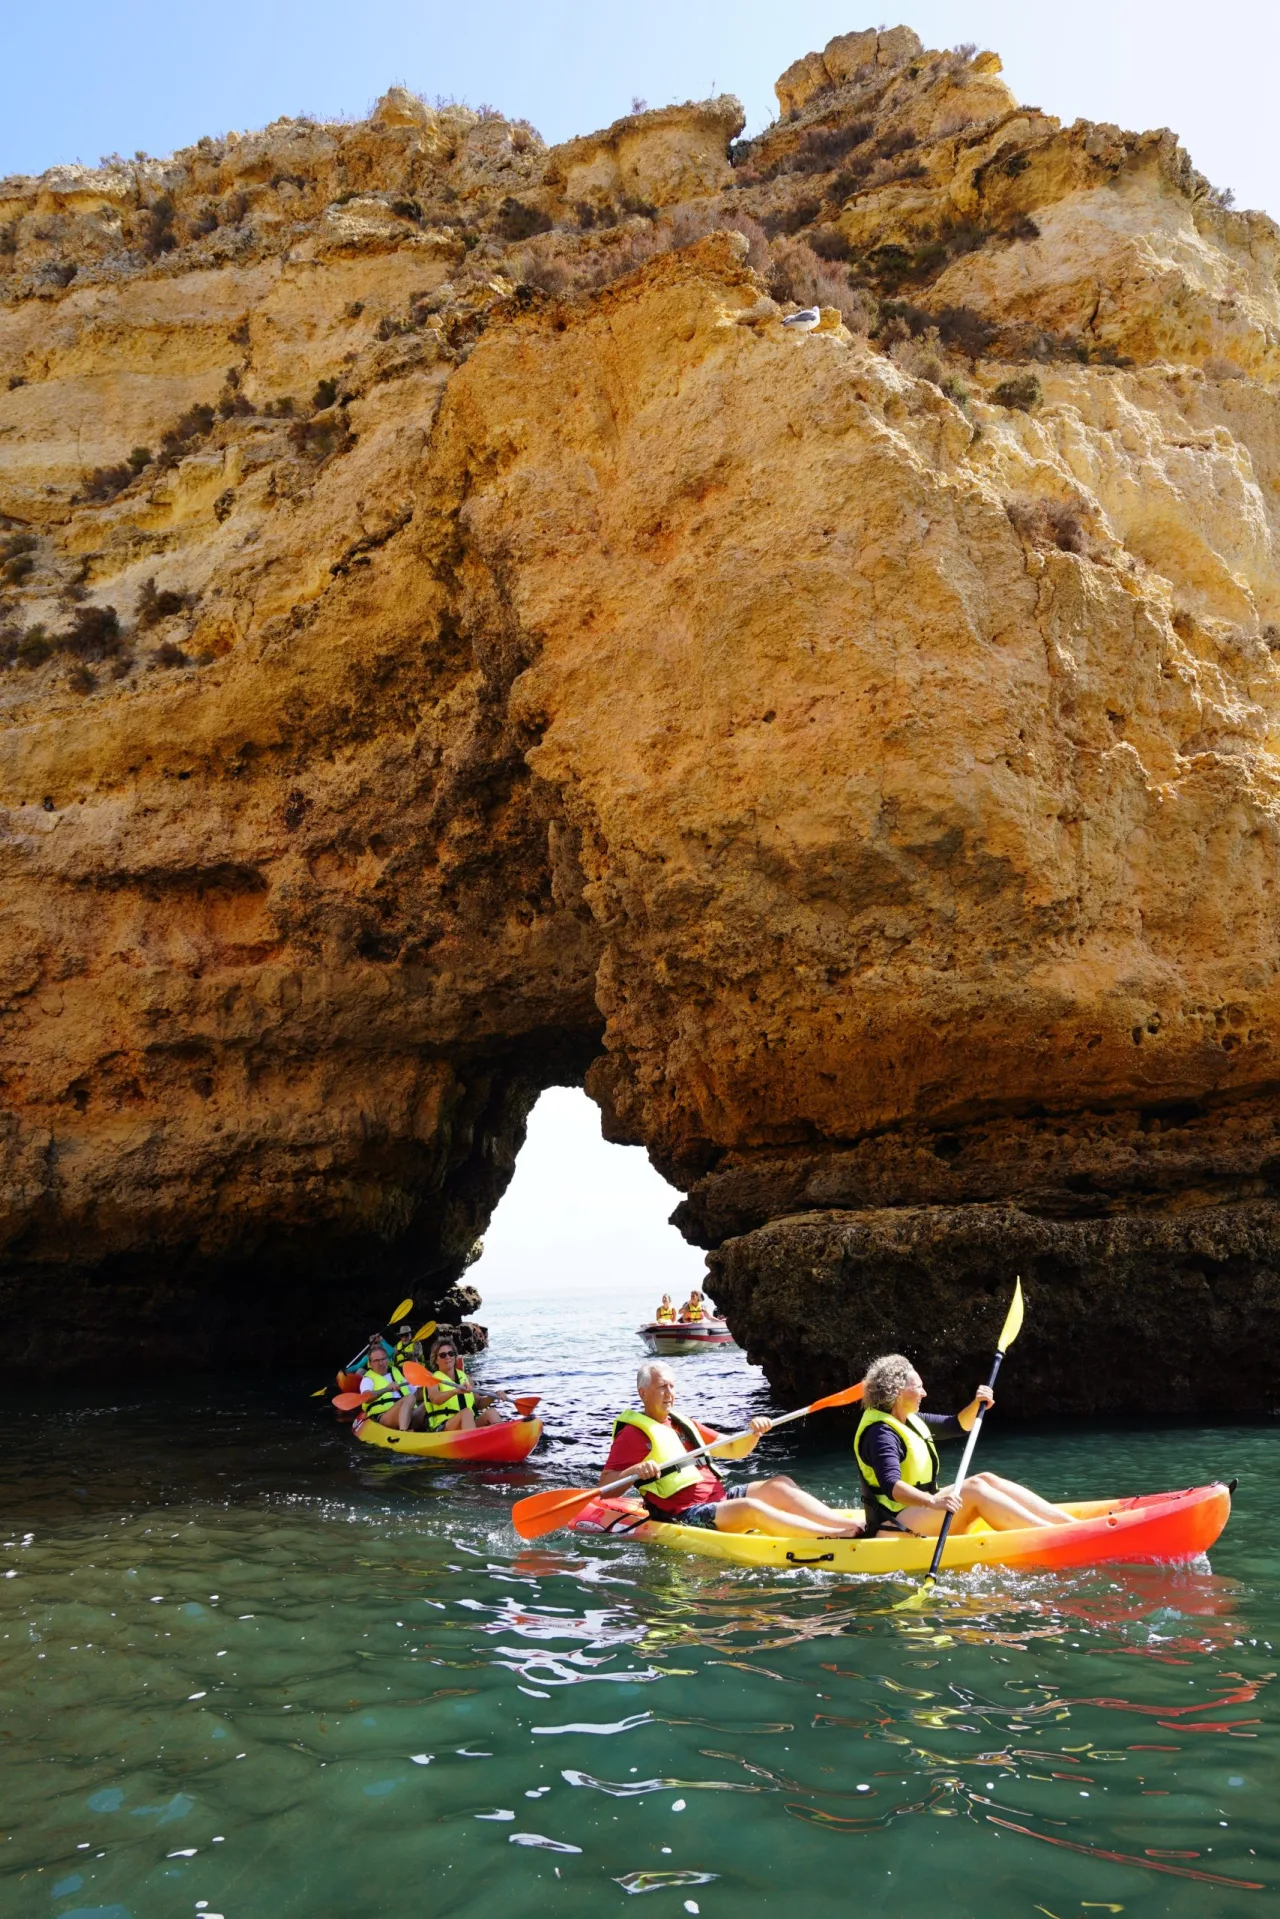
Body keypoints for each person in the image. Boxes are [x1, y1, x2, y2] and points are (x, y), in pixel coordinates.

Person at [600, 1361, 864, 1539]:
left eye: (672, 1386)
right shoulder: (633, 1435)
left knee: (780, 1484)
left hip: (718, 1499)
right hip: (684, 1515)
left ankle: (846, 1525)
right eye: (661, 1387)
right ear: (643, 1393)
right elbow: (605, 1489)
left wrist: (755, 1431)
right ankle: (829, 1536)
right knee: (750, 1507)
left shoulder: (684, 1423)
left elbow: (735, 1449)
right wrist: (635, 1471)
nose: (669, 1393)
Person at [854, 1354, 1077, 1538]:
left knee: (985, 1479)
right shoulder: (880, 1434)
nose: (924, 1393)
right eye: (919, 1387)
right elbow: (892, 1486)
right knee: (973, 1489)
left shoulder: (909, 1418)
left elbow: (957, 1425)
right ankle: (1053, 1535)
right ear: (897, 1393)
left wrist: (977, 1403)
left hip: (916, 1512)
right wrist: (933, 1501)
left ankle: (1071, 1526)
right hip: (893, 1525)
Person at [421, 1333, 506, 1431]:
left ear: (455, 1356)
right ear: (436, 1360)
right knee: (466, 1413)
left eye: (451, 1353)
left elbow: (478, 1404)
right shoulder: (433, 1379)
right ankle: (473, 1443)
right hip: (444, 1427)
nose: (447, 1357)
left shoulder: (467, 1378)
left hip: (469, 1424)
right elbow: (435, 1399)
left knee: (491, 1412)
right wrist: (456, 1391)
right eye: (443, 1355)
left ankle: (504, 1440)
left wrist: (493, 1396)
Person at [359, 1344, 423, 1432]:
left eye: (383, 1359)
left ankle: (437, 1429)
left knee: (426, 1405)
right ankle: (403, 1432)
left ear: (387, 1360)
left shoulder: (396, 1372)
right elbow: (366, 1397)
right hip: (384, 1416)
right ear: (370, 1364)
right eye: (376, 1360)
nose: (381, 1363)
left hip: (408, 1413)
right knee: (409, 1398)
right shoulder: (368, 1379)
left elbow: (416, 1393)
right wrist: (386, 1389)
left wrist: (428, 1387)